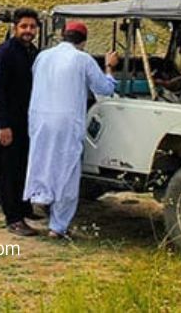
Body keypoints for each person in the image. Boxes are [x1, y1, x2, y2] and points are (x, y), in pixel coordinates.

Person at [25, 21, 118, 240]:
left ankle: (40, 200)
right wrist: (110, 67)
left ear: (63, 36)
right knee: (67, 171)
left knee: (42, 161)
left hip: (40, 118)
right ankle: (58, 226)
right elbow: (104, 89)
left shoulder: (43, 56)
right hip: (66, 122)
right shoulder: (82, 59)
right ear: (83, 41)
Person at [0, 7, 41, 237]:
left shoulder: (32, 52)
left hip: (26, 122)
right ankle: (13, 219)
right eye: (24, 26)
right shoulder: (5, 52)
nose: (28, 30)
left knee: (23, 167)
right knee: (9, 171)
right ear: (14, 28)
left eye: (32, 27)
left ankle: (24, 208)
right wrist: (3, 125)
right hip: (8, 123)